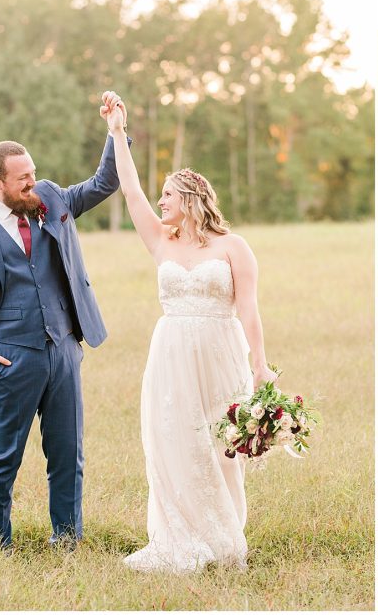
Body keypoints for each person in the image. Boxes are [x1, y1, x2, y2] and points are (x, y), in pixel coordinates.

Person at [98, 91, 277, 573]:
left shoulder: (234, 246)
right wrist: (117, 132)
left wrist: (260, 369)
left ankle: (223, 537)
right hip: (171, 352)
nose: (160, 201)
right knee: (173, 439)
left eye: (169, 195)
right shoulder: (160, 241)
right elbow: (130, 191)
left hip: (222, 350)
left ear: (192, 199)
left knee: (223, 446)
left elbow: (249, 311)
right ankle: (180, 536)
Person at [0, 104, 127, 550]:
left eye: (33, 172)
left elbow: (105, 182)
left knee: (68, 455)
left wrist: (115, 132)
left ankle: (66, 539)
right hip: (9, 359)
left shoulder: (51, 200)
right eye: (22, 177)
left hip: (63, 350)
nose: (32, 182)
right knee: (4, 458)